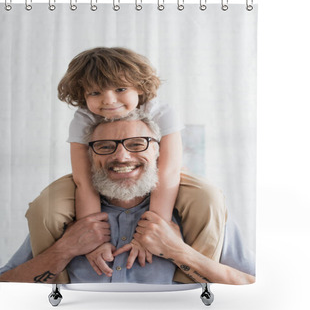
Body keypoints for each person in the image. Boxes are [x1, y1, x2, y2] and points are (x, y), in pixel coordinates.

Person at [24, 47, 225, 283]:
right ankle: (55, 284)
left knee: (206, 198)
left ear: (139, 87)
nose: (108, 100)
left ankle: (191, 283)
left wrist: (151, 234)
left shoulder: (160, 111)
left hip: (163, 172)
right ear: (83, 94)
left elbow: (168, 172)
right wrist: (94, 242)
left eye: (120, 89)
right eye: (95, 92)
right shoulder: (83, 118)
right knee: (45, 208)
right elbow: (83, 179)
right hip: (96, 175)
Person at [0, 111, 254, 285]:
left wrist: (178, 252)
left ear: (157, 152)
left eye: (136, 144)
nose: (121, 156)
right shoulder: (61, 219)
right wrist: (65, 249)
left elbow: (251, 285)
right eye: (105, 146)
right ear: (90, 158)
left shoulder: (199, 211)